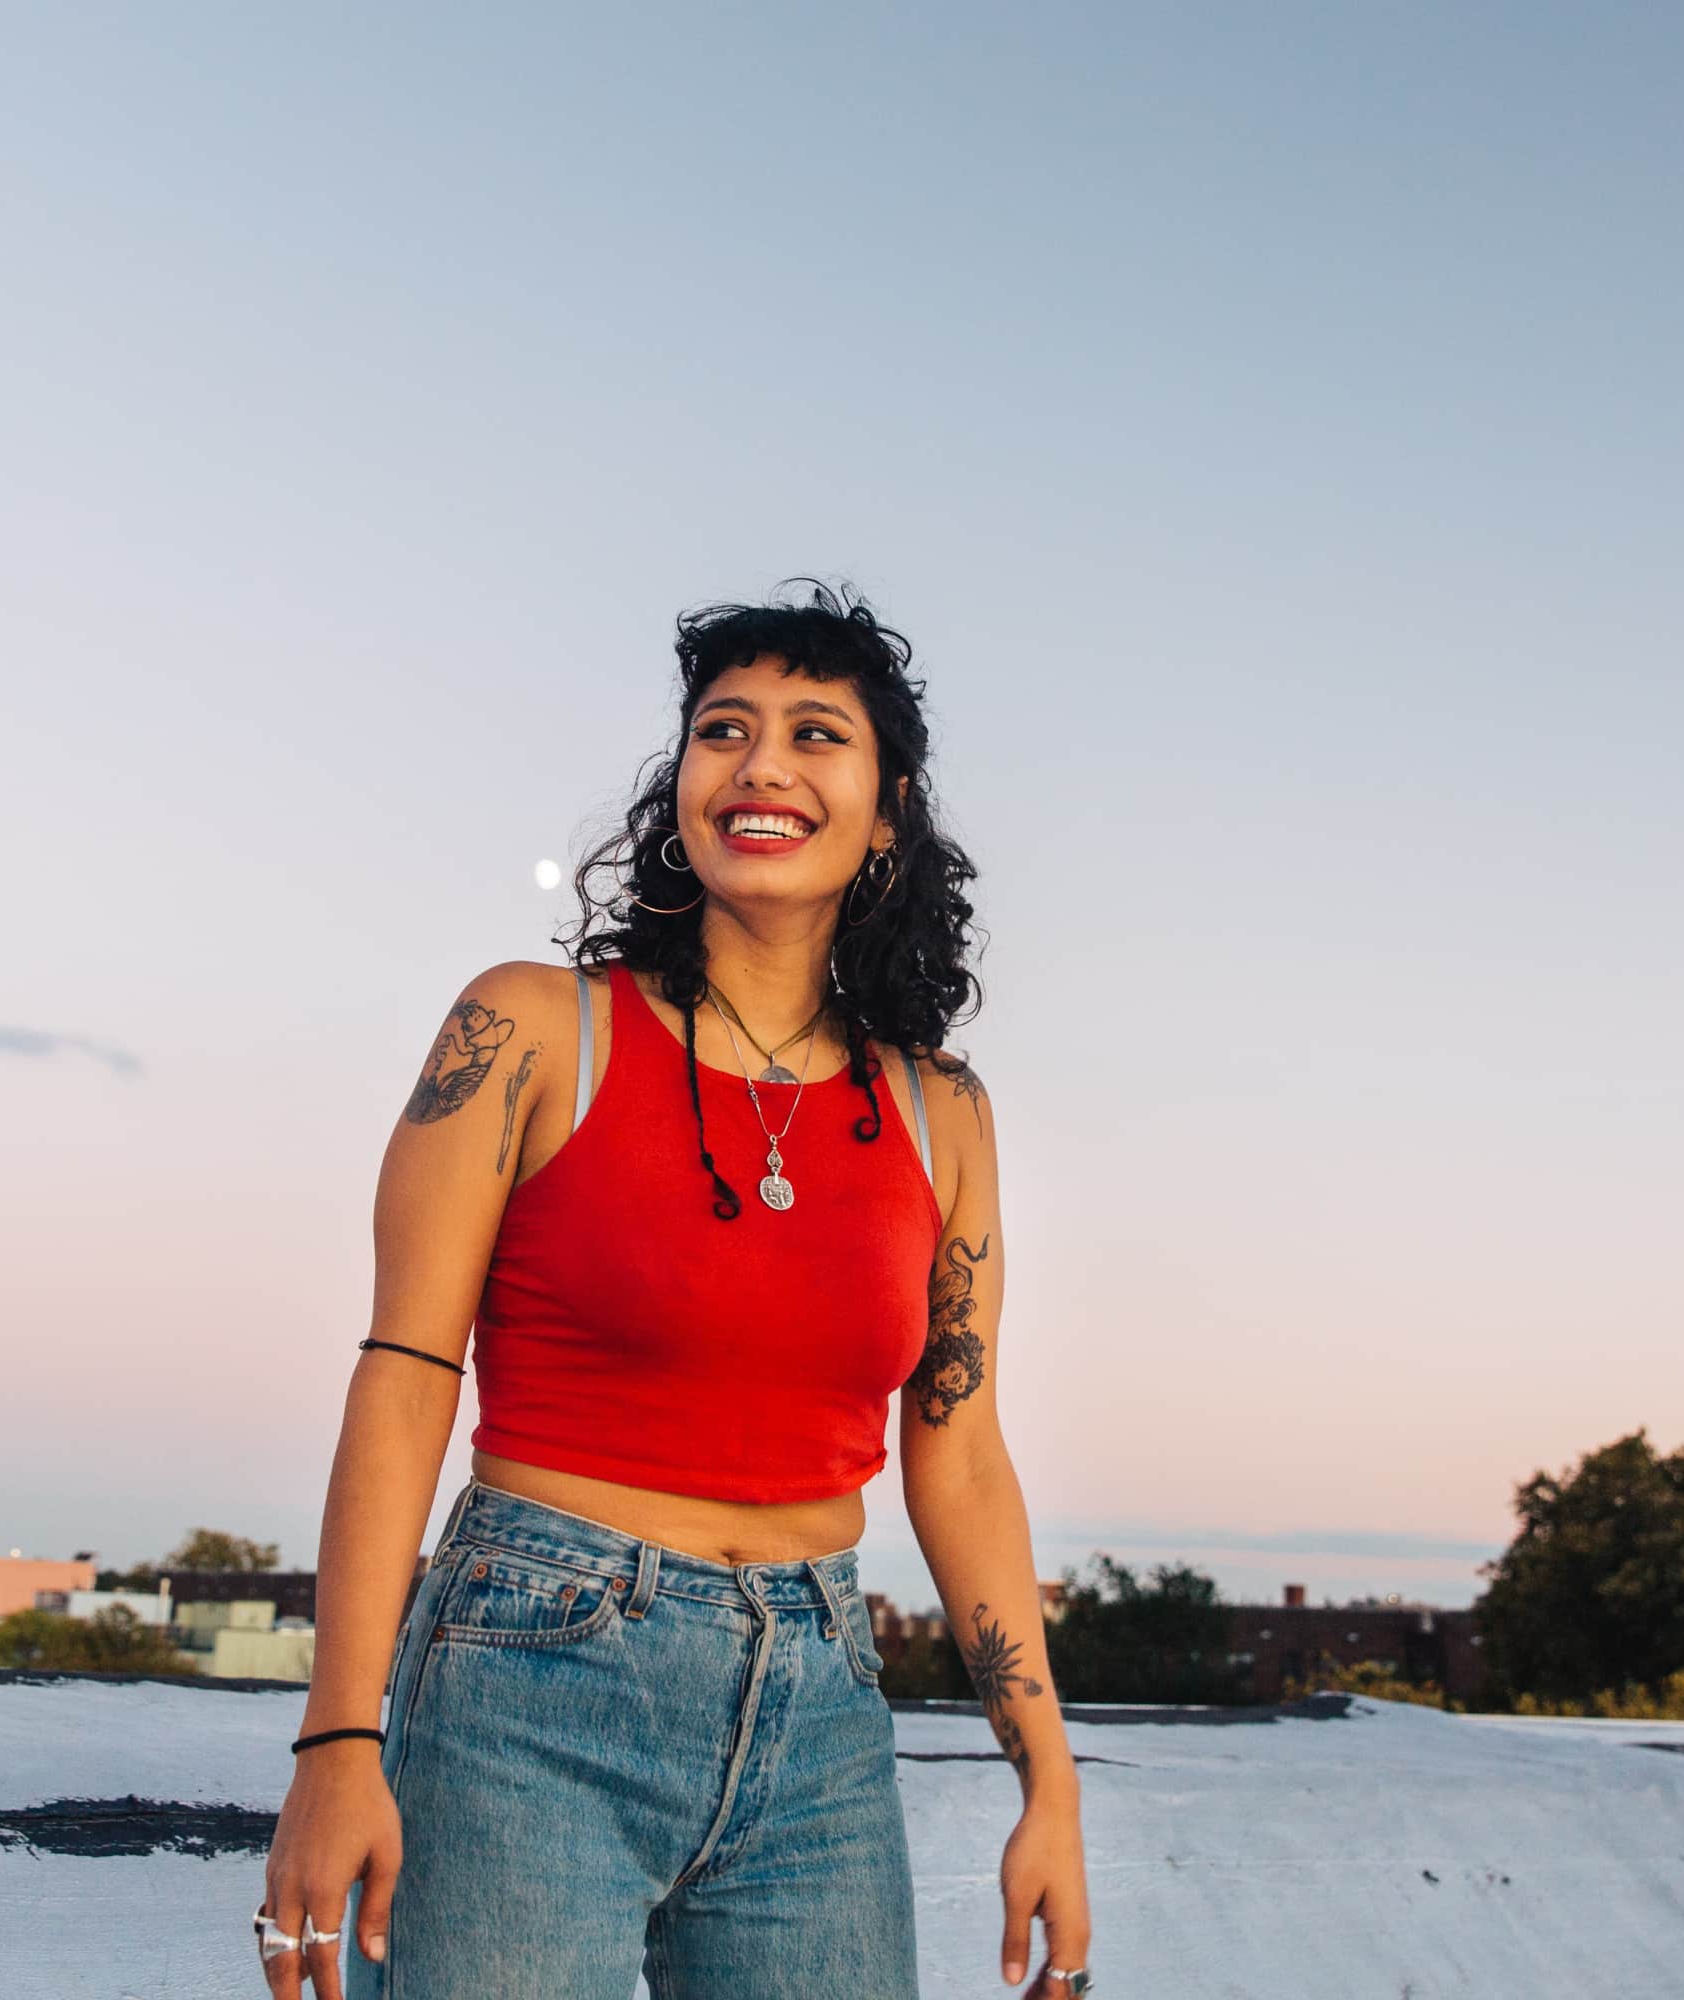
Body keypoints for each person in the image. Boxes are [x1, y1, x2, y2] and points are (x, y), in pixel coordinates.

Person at [255, 580, 1092, 1998]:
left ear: (887, 814)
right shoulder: (530, 1029)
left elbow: (958, 1454)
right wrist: (339, 1739)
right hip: (530, 1676)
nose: (762, 764)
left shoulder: (940, 1110)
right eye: (723, 729)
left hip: (823, 1706)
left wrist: (1049, 1780)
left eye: (816, 733)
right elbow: (402, 1380)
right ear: (684, 784)